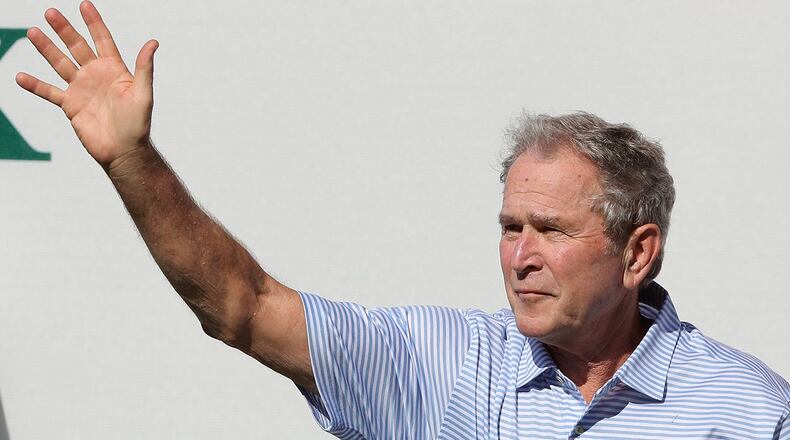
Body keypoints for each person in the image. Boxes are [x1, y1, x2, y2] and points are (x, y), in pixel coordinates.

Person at [17, 2, 789, 439]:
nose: (519, 255)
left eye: (550, 231)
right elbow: (240, 305)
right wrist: (131, 160)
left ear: (637, 253)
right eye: (509, 226)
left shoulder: (749, 412)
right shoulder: (441, 364)